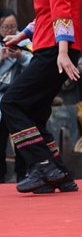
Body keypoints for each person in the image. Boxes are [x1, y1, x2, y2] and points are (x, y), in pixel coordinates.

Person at [0, 0, 82, 194]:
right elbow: (45, 15)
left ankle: (44, 167)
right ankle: (59, 174)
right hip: (51, 47)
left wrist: (62, 52)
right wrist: (21, 36)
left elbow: (61, 10)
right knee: (34, 113)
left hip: (54, 50)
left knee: (11, 102)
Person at [0, 9, 32, 183]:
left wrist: (20, 56)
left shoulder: (24, 40)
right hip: (0, 98)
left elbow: (35, 66)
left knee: (22, 138)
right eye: (6, 27)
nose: (10, 31)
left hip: (20, 100)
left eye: (13, 27)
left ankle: (23, 174)